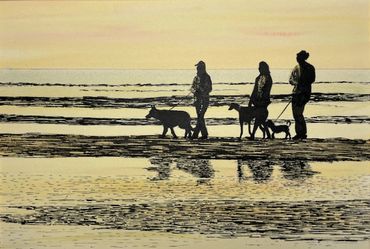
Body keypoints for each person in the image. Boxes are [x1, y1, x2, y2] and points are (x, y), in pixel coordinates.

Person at [289, 50, 316, 140]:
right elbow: (291, 79)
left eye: (299, 57)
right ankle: (299, 133)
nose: (297, 59)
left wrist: (302, 83)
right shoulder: (296, 67)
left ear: (303, 58)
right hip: (295, 92)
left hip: (304, 93)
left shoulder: (310, 67)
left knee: (299, 113)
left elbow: (312, 79)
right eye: (297, 57)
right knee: (295, 114)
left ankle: (302, 133)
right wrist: (296, 83)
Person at [248, 61, 272, 139]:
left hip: (263, 101)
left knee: (259, 118)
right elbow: (254, 90)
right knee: (260, 119)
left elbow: (265, 91)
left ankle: (253, 135)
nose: (259, 69)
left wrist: (261, 101)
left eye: (260, 67)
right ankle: (268, 135)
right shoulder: (258, 78)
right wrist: (251, 100)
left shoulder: (267, 78)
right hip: (257, 101)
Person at [190, 61, 212, 139]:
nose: (197, 69)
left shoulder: (207, 77)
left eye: (199, 68)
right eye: (197, 68)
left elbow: (209, 89)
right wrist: (194, 91)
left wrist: (201, 91)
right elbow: (192, 88)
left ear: (202, 68)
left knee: (200, 116)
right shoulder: (196, 78)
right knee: (200, 117)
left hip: (204, 100)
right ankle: (203, 134)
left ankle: (197, 134)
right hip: (197, 101)